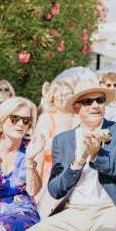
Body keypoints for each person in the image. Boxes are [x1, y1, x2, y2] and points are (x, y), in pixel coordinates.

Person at [24, 80, 116, 231]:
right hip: (74, 211)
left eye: (99, 100)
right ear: (76, 108)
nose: (95, 105)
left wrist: (98, 155)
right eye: (87, 101)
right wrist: (76, 164)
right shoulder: (62, 140)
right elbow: (55, 190)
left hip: (111, 209)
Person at [0, 97, 45, 231]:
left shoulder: (33, 148)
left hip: (21, 210)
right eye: (14, 118)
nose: (21, 124)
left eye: (26, 120)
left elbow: (33, 191)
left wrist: (29, 161)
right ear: (1, 121)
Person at [32, 80, 77, 218]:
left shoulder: (78, 116)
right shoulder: (47, 118)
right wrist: (65, 137)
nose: (65, 98)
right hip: (53, 170)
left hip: (76, 169)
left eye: (68, 94)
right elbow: (42, 147)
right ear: (52, 99)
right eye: (61, 96)